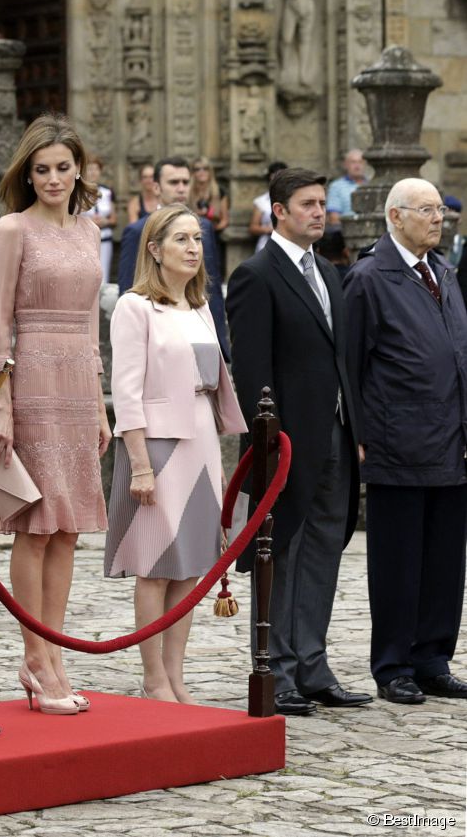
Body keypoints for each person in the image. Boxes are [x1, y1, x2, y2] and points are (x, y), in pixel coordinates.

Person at [226, 167, 370, 716]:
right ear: (279, 211)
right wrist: (267, 445)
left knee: (325, 548)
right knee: (282, 551)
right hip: (284, 442)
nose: (319, 212)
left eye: (321, 203)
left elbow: (341, 359)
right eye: (308, 204)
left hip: (336, 434)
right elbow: (253, 371)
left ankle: (314, 666)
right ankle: (278, 669)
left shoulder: (331, 275)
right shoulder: (255, 275)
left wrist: (354, 429)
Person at [0, 115, 111, 714]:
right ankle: (34, 656)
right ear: (26, 175)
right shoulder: (12, 228)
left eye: (62, 167)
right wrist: (0, 398)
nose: (53, 178)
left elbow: (90, 321)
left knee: (68, 527)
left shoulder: (90, 232)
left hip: (78, 384)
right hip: (30, 374)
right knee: (35, 524)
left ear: (78, 168)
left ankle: (55, 652)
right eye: (41, 170)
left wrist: (99, 402)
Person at [107, 206, 246, 702]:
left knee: (190, 565)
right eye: (181, 239)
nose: (193, 248)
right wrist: (139, 464)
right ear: (154, 249)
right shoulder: (136, 306)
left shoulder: (203, 307)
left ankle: (175, 674)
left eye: (197, 239)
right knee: (157, 562)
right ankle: (152, 678)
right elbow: (125, 392)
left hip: (202, 439)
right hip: (158, 445)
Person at [342, 179, 467, 705]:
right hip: (398, 439)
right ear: (395, 217)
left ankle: (433, 656)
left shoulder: (443, 272)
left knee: (445, 559)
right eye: (426, 210)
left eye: (440, 209)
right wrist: (362, 434)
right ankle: (394, 663)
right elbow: (350, 364)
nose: (438, 218)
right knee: (398, 559)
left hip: (451, 437)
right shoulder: (370, 278)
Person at [118, 158, 229, 360]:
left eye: (185, 182)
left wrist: (219, 339)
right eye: (173, 182)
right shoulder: (137, 231)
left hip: (201, 334)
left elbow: (211, 285)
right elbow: (128, 286)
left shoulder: (204, 226)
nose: (181, 188)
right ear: (156, 187)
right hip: (160, 342)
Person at [80, 155, 116, 282]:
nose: (93, 172)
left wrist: (105, 221)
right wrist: (88, 222)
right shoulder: (77, 192)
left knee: (103, 274)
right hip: (84, 240)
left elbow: (114, 220)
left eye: (96, 169)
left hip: (105, 239)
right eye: (89, 169)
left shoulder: (108, 192)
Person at [248, 161, 288, 252]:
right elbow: (253, 228)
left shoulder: (293, 199)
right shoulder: (261, 201)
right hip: (267, 244)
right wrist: (269, 230)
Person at [326, 149, 367, 226]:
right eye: (353, 162)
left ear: (365, 164)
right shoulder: (336, 186)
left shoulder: (371, 185)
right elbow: (334, 218)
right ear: (346, 165)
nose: (357, 166)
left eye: (360, 162)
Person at [190, 157, 228, 233]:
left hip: (213, 232)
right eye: (197, 169)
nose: (202, 172)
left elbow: (224, 221)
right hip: (191, 231)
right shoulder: (187, 192)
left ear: (210, 171)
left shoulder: (219, 191)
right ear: (193, 173)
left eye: (205, 169)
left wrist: (211, 230)